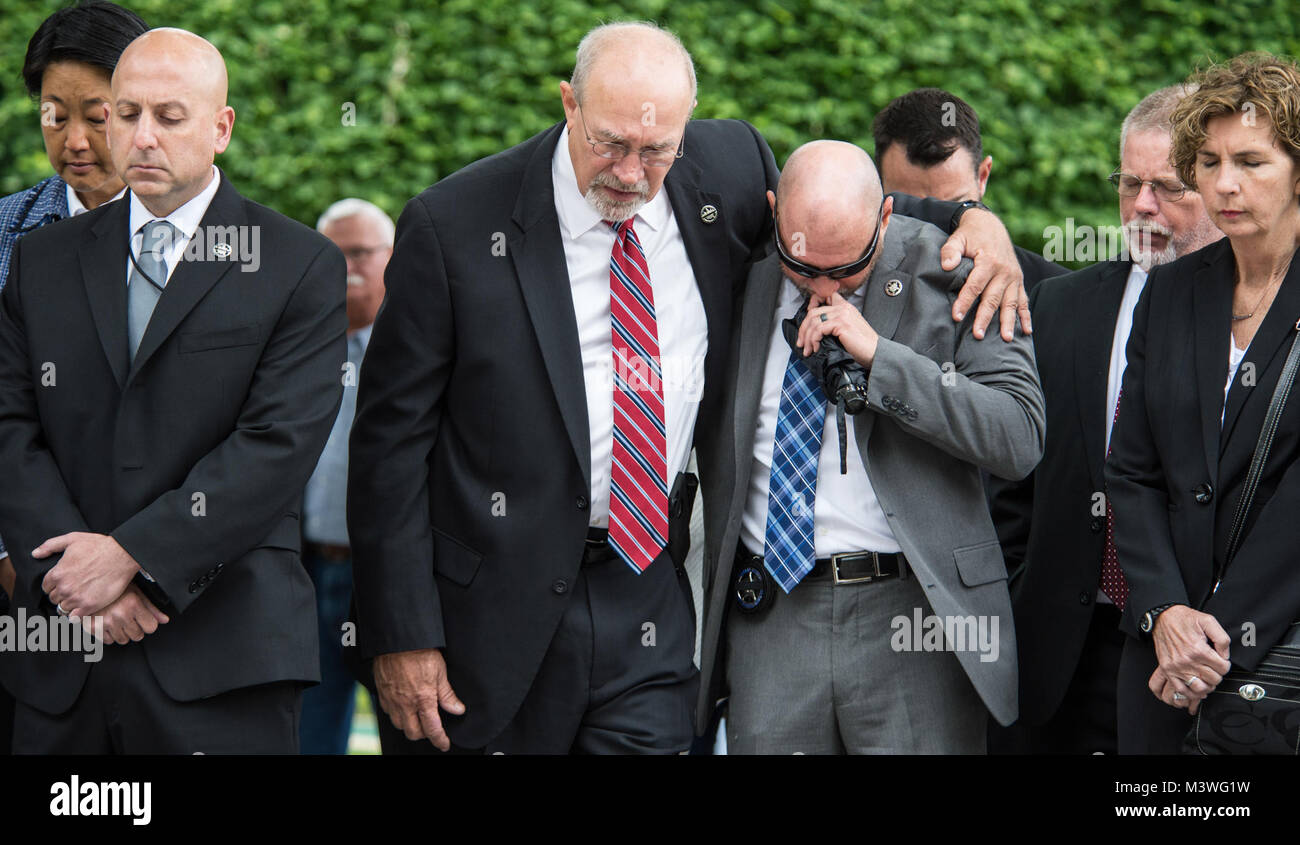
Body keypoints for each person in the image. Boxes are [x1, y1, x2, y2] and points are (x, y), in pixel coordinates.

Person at [348, 21, 1030, 755]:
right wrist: (401, 630)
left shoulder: (729, 166)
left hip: (648, 595)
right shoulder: (453, 226)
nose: (633, 173)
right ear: (568, 105)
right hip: (490, 614)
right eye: (611, 142)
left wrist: (973, 217)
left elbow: (843, 214)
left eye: (658, 150)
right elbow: (388, 443)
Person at [0, 28, 346, 754]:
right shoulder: (41, 261)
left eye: (170, 115)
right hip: (62, 666)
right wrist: (73, 581)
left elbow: (276, 444)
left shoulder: (297, 263)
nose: (142, 136)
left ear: (220, 127)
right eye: (125, 114)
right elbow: (9, 424)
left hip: (224, 662)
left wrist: (132, 559)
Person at [696, 140, 1044, 753]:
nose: (822, 287)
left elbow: (1018, 437)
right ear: (775, 214)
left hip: (914, 617)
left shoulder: (956, 274)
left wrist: (885, 361)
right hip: (771, 614)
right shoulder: (735, 274)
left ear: (884, 217)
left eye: (845, 270)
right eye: (802, 267)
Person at [989, 84, 1222, 754]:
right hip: (1056, 661)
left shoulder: (1255, 322)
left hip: (1188, 663)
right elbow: (1014, 477)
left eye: (1168, 186)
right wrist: (1016, 596)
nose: (1142, 206)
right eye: (1129, 183)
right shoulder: (1058, 305)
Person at [1106, 52, 1300, 754]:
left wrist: (1214, 634)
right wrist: (1164, 612)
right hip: (1158, 654)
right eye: (1210, 160)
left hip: (1274, 658)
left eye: (1251, 161)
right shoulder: (1172, 290)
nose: (1225, 183)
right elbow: (1131, 469)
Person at [0, 0, 148, 756]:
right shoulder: (5, 236)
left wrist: (137, 563)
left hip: (160, 596)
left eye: (98, 115)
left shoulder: (214, 239)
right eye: (55, 116)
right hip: (18, 594)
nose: (76, 141)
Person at [298, 198, 391, 754]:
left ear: (392, 257)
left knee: (405, 721)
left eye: (360, 253)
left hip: (385, 573)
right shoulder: (299, 345)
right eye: (333, 256)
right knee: (309, 725)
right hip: (306, 567)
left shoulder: (419, 345)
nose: (347, 267)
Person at [873, 87, 1067, 289]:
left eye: (955, 205)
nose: (932, 234)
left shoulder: (1050, 292)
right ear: (875, 187)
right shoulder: (847, 277)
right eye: (910, 209)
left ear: (982, 176)